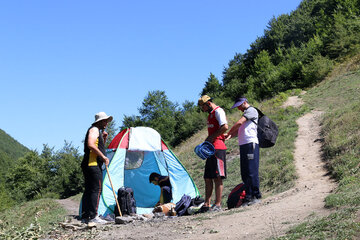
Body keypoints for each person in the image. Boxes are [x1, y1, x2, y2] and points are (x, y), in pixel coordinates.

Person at [225, 97, 261, 206]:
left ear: (245, 103)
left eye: (239, 106)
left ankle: (256, 196)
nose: (239, 109)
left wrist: (229, 131)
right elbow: (241, 130)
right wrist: (230, 135)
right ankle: (248, 196)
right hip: (244, 145)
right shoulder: (246, 113)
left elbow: (240, 123)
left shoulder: (251, 110)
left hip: (251, 144)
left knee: (251, 171)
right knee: (245, 172)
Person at [80, 112, 113, 223]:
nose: (106, 123)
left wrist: (103, 139)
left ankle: (85, 216)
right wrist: (104, 157)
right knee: (96, 189)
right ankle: (93, 216)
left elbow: (97, 145)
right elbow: (91, 144)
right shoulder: (94, 130)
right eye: (105, 121)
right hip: (92, 164)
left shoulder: (96, 131)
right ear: (99, 122)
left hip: (89, 163)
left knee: (89, 190)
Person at [198, 95, 228, 212]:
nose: (203, 110)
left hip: (218, 148)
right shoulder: (210, 115)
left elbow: (225, 126)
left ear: (209, 104)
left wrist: (212, 137)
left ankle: (218, 204)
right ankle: (207, 204)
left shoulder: (218, 111)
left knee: (217, 177)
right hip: (211, 149)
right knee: (207, 177)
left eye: (203, 107)